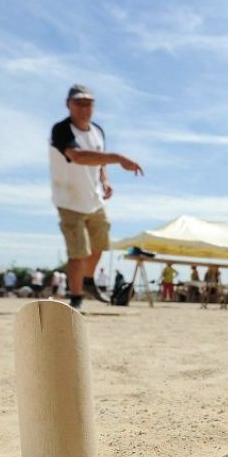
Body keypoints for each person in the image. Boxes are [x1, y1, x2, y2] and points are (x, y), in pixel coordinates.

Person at [49, 84, 143, 309]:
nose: (84, 108)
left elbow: (98, 160)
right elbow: (78, 156)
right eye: (79, 103)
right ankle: (76, 297)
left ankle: (88, 280)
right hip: (69, 201)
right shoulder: (62, 130)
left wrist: (105, 179)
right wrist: (118, 158)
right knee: (78, 252)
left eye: (88, 103)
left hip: (94, 199)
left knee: (101, 243)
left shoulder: (97, 131)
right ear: (68, 104)